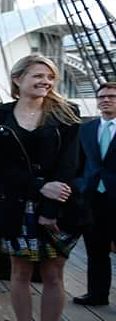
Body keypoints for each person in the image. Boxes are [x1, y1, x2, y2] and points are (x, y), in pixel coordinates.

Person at [0, 54, 82, 321]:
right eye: (38, 76)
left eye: (49, 77)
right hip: (17, 203)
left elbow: (70, 165)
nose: (45, 82)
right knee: (20, 272)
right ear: (18, 79)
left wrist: (51, 208)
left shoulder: (68, 114)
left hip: (59, 207)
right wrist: (38, 187)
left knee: (53, 274)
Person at [73, 82, 116, 306]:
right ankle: (97, 295)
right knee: (96, 250)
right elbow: (77, 163)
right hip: (92, 199)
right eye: (101, 97)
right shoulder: (86, 129)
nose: (105, 100)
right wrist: (80, 185)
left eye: (111, 96)